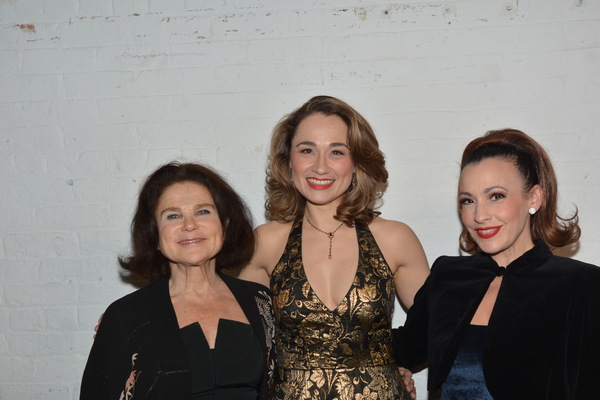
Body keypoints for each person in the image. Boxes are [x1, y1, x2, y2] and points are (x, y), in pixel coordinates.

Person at [239, 95, 430, 399]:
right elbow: (243, 348)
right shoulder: (264, 243)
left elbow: (436, 330)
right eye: (307, 150)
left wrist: (392, 360)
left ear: (357, 163)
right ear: (288, 161)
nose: (320, 166)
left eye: (337, 151)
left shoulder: (395, 239)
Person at [393, 128, 600, 399]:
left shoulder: (581, 285)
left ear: (534, 198)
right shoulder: (448, 276)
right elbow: (404, 349)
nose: (479, 215)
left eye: (496, 196)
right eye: (468, 201)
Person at [80, 162, 274, 400]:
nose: (189, 225)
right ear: (155, 235)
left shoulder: (260, 302)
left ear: (225, 225)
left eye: (203, 211)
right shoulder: (126, 316)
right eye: (173, 216)